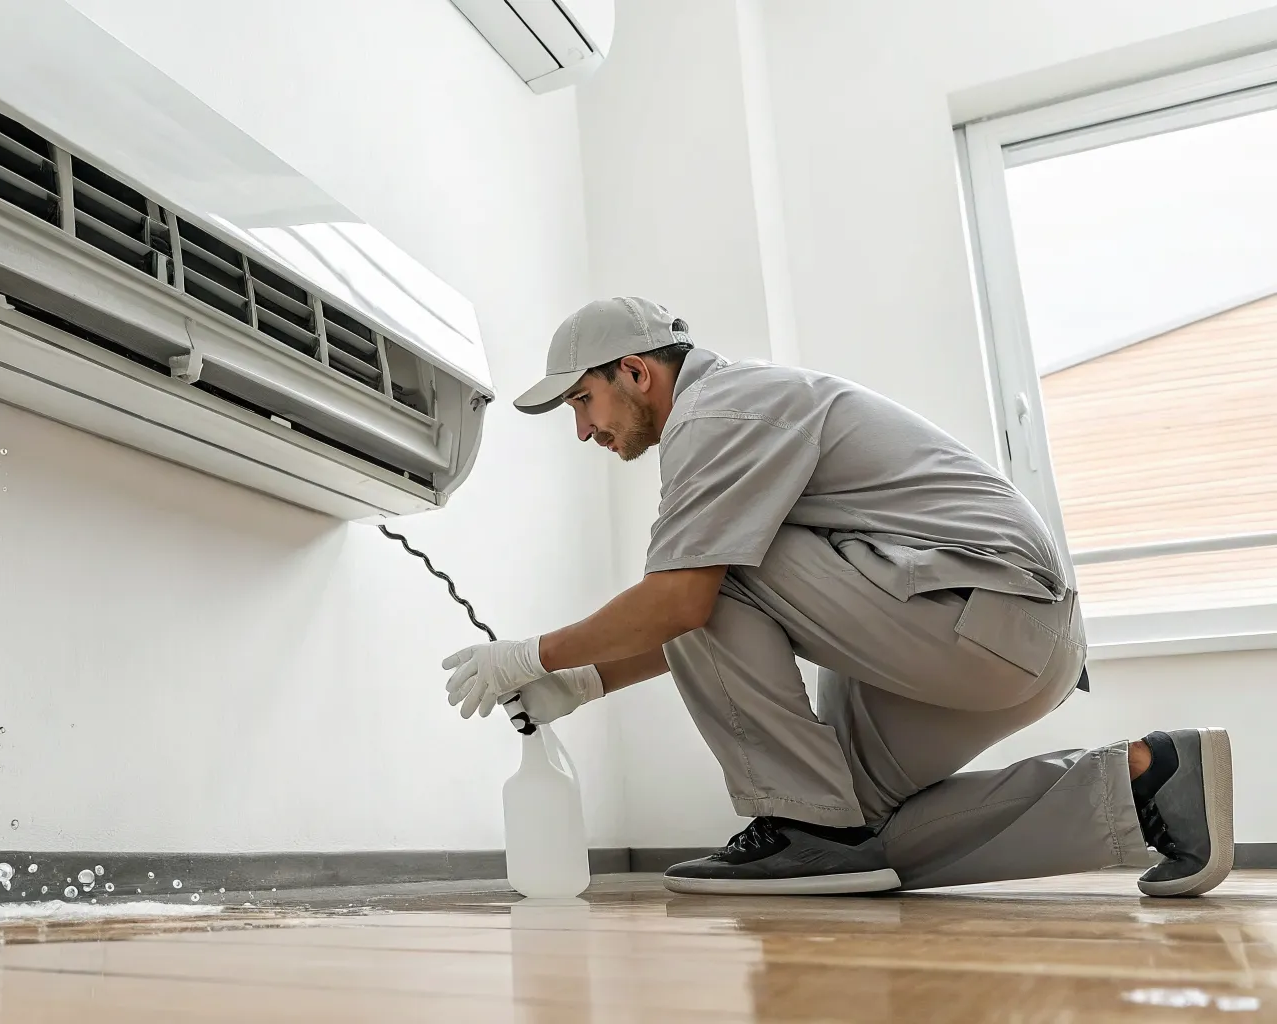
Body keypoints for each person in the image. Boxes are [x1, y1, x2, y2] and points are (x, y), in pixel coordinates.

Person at [444, 297, 1233, 897]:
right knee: (861, 838)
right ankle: (1149, 781)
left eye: (582, 401)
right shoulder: (738, 413)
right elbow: (704, 611)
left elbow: (688, 599)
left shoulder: (717, 413)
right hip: (993, 635)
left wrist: (532, 655)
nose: (582, 429)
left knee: (705, 573)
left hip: (989, 613)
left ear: (636, 372)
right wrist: (585, 682)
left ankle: (803, 822)